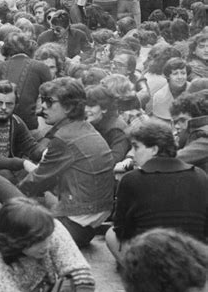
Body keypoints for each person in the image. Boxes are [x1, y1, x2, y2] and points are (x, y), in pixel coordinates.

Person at [0, 78, 114, 248]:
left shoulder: (64, 138)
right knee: (28, 180)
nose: (43, 106)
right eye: (42, 100)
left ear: (68, 107)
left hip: (69, 226)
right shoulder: (85, 128)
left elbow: (36, 182)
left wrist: (14, 205)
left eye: (49, 101)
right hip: (87, 227)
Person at [105, 120, 208, 263]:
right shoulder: (200, 175)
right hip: (192, 260)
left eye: (136, 147)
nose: (132, 154)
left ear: (154, 149)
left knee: (110, 234)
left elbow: (121, 230)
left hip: (151, 262)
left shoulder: (131, 179)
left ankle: (135, 273)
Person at [0, 32, 53, 132]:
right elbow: (52, 96)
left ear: (5, 50)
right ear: (30, 48)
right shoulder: (41, 67)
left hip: (0, 127)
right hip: (30, 127)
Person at [0, 80, 46, 183]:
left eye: (9, 104)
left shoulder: (15, 121)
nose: (4, 108)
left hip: (7, 169)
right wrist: (22, 163)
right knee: (5, 175)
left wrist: (46, 153)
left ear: (15, 105)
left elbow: (31, 146)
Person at [85, 85, 130, 164]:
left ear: (104, 108)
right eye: (83, 105)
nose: (85, 109)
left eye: (91, 106)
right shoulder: (90, 123)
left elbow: (115, 158)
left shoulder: (116, 129)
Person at [147, 57, 188, 122]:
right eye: (175, 74)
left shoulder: (195, 89)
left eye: (183, 73)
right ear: (168, 76)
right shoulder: (160, 96)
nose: (180, 77)